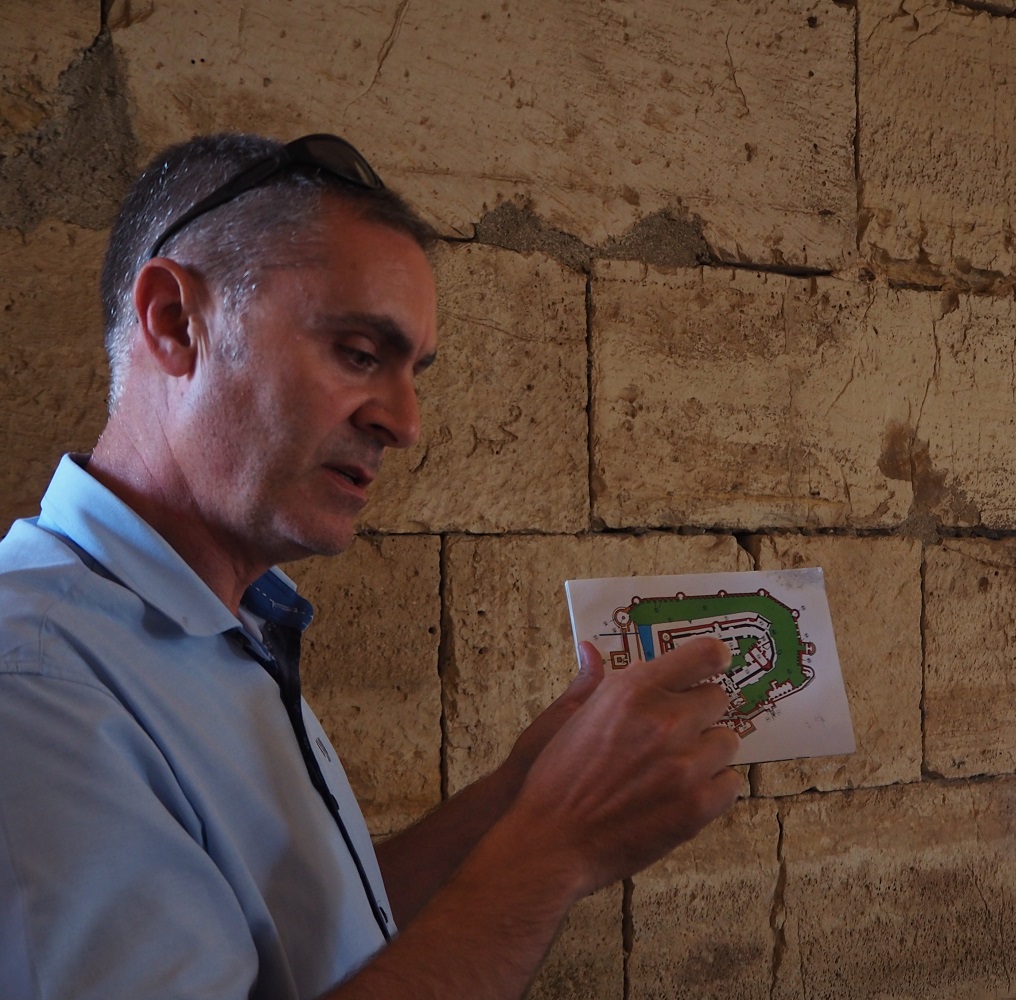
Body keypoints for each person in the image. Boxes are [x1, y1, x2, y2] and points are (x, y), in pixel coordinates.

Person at [0, 132, 742, 1000]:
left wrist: (519, 793)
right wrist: (554, 849)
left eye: (413, 371)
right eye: (359, 355)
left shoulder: (221, 620)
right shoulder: (34, 679)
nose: (405, 422)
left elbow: (312, 944)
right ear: (175, 322)